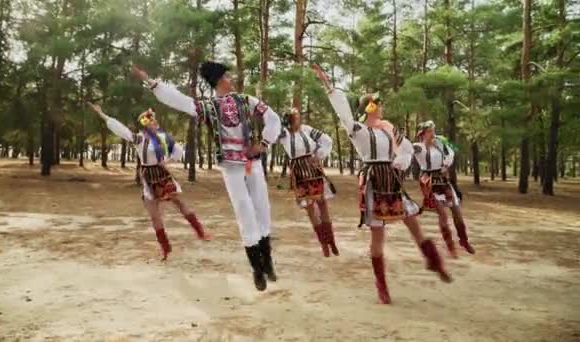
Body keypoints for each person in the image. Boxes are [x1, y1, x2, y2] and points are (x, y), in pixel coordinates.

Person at [131, 62, 281, 291]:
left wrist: (263, 143)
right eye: (227, 76)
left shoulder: (245, 100)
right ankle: (256, 269)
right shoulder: (208, 107)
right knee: (244, 211)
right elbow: (179, 100)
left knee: (262, 208)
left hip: (253, 163)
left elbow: (273, 118)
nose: (230, 80)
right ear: (220, 79)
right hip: (231, 167)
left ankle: (267, 262)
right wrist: (152, 83)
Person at [312, 64, 452, 304]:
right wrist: (328, 84)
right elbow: (343, 112)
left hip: (391, 179)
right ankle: (382, 286)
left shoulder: (389, 129)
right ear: (371, 107)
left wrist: (401, 161)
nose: (383, 106)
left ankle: (434, 261)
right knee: (378, 236)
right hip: (374, 181)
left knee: (413, 223)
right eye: (379, 103)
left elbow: (407, 149)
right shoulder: (357, 130)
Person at [87, 104, 211, 261]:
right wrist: (102, 114)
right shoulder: (139, 139)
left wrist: (169, 161)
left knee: (179, 203)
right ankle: (165, 247)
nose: (155, 124)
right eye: (151, 122)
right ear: (146, 124)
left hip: (162, 174)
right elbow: (121, 129)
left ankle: (200, 231)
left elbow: (178, 150)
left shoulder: (163, 138)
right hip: (148, 176)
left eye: (155, 121)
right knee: (154, 215)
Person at [278, 108, 339, 257]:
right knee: (310, 208)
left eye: (299, 117)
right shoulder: (283, 134)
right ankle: (323, 243)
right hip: (299, 173)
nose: (299, 120)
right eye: (296, 117)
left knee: (322, 204)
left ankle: (331, 241)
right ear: (290, 120)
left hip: (313, 170)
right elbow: (269, 131)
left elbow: (327, 140)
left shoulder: (307, 129)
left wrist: (319, 155)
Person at [414, 120, 475, 257]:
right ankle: (450, 246)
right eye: (429, 131)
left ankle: (463, 241)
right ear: (422, 134)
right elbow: (405, 149)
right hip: (429, 181)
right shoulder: (418, 147)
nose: (433, 133)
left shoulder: (440, 143)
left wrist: (446, 164)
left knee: (457, 212)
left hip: (443, 180)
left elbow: (452, 152)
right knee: (442, 215)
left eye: (433, 130)